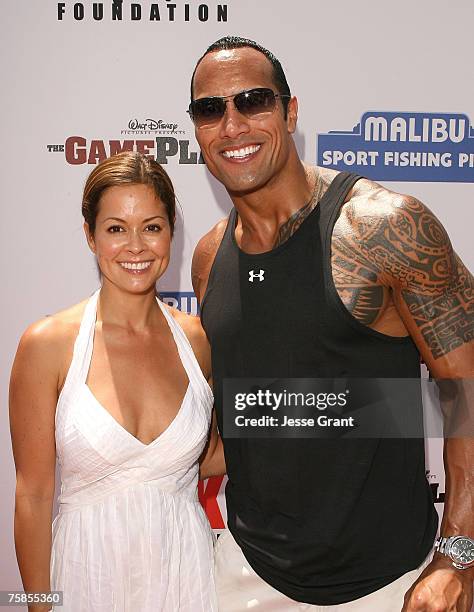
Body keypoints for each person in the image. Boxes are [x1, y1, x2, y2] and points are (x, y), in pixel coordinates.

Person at [189, 36, 474, 611]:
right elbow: (252, 414)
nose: (233, 124)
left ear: (291, 112)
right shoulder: (208, 257)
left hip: (392, 581)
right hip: (244, 574)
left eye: (254, 101)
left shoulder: (386, 228)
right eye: (210, 109)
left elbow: (466, 395)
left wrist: (457, 557)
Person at [9, 152, 222, 612]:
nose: (136, 246)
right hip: (86, 577)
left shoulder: (200, 342)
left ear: (171, 233)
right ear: (90, 235)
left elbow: (217, 455)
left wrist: (344, 412)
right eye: (115, 228)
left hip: (186, 577)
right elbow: (34, 492)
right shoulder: (47, 344)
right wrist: (40, 606)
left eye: (151, 226)